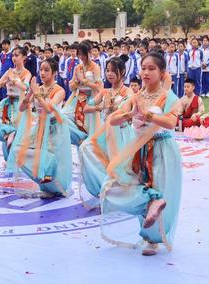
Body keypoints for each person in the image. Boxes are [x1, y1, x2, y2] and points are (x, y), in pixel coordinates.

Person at [100, 51, 182, 256]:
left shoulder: (168, 97)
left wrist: (147, 115)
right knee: (111, 189)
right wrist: (128, 114)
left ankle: (152, 239)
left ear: (162, 72)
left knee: (158, 186)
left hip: (162, 149)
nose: (146, 72)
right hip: (137, 150)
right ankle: (152, 201)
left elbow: (171, 123)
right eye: (143, 68)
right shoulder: (136, 97)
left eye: (151, 68)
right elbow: (113, 120)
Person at [7, 58, 72, 198]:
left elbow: (49, 109)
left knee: (52, 156)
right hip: (39, 127)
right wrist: (31, 92)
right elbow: (22, 107)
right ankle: (45, 182)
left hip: (55, 128)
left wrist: (36, 93)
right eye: (41, 69)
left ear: (54, 72)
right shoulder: (38, 89)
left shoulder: (59, 90)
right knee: (18, 150)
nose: (42, 73)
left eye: (46, 70)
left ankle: (55, 185)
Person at [80, 56, 134, 202]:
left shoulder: (128, 92)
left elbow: (128, 110)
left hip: (121, 132)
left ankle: (119, 190)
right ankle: (105, 186)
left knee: (119, 164)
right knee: (85, 148)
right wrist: (100, 107)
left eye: (113, 71)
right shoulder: (105, 92)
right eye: (107, 70)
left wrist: (114, 108)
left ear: (122, 72)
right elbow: (86, 108)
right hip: (105, 132)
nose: (109, 74)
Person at [0, 46, 31, 160]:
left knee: (18, 131)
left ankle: (15, 159)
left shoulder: (27, 73)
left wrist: (13, 79)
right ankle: (8, 158)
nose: (14, 58)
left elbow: (24, 87)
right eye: (13, 55)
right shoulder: (9, 71)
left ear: (24, 57)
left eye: (17, 55)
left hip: (19, 104)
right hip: (7, 103)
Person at [63, 41, 103, 147]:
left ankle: (86, 142)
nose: (81, 57)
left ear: (89, 53)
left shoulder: (95, 67)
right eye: (79, 54)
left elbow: (99, 87)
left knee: (89, 126)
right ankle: (79, 138)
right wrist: (75, 82)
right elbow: (71, 86)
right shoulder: (78, 67)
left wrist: (84, 80)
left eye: (83, 54)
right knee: (63, 117)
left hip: (90, 99)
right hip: (77, 98)